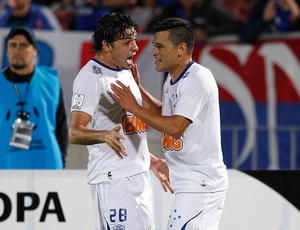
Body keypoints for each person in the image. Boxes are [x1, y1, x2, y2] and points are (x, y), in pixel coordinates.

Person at [111, 17, 228, 229]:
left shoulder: (197, 79)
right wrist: (140, 91)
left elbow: (175, 127)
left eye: (160, 47)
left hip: (201, 183)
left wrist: (134, 107)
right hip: (189, 182)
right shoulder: (173, 79)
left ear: (181, 49)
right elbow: (165, 114)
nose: (154, 52)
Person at [68, 12, 173, 230]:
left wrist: (149, 159)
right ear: (106, 45)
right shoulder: (90, 78)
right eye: (127, 42)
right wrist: (103, 136)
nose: (135, 48)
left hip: (139, 177)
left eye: (134, 40)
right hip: (114, 182)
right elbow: (74, 132)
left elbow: (128, 126)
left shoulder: (125, 72)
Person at [0, 27, 68, 169]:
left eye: (23, 45)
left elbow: (61, 127)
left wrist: (62, 160)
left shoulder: (51, 82)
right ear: (7, 51)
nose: (18, 50)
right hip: (7, 165)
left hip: (47, 163)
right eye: (13, 45)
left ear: (34, 50)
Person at [144, 0, 244, 43]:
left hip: (203, 60)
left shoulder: (210, 7)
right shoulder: (171, 9)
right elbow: (150, 29)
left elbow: (236, 25)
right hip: (174, 62)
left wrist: (208, 32)